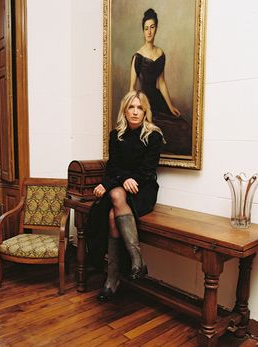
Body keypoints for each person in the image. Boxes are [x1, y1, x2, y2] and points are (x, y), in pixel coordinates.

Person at [85, 91, 164, 302]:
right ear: (125, 110)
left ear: (145, 111)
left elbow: (148, 170)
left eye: (139, 107)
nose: (135, 111)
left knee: (114, 209)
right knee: (115, 203)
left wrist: (125, 180)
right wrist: (118, 180)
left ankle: (112, 279)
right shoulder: (116, 134)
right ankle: (135, 260)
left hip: (143, 189)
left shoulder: (153, 135)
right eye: (131, 107)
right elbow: (113, 167)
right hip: (121, 186)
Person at [130, 8, 192, 155]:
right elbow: (132, 88)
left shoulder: (160, 54)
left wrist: (170, 106)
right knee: (157, 131)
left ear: (156, 28)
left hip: (158, 99)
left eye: (152, 27)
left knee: (183, 127)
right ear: (143, 31)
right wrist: (138, 109)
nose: (149, 32)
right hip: (144, 102)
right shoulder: (137, 57)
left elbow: (162, 82)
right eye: (146, 29)